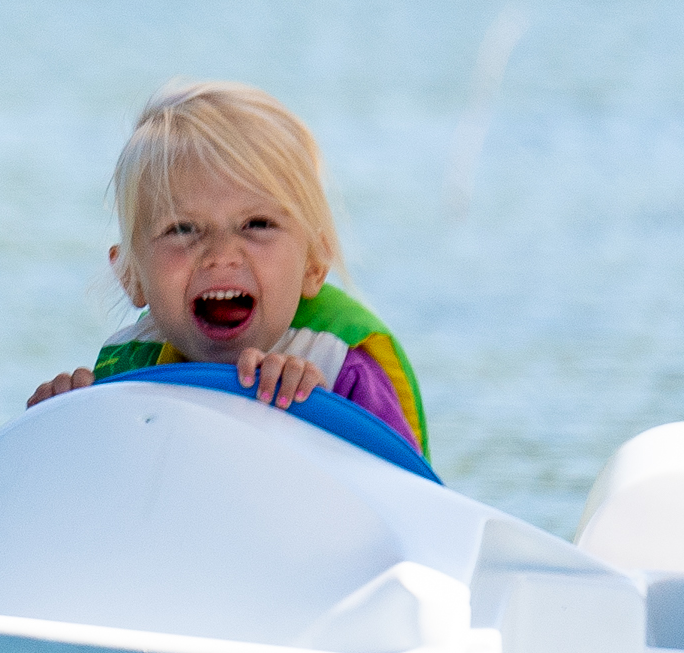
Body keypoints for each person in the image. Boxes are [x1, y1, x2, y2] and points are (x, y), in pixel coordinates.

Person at [28, 80, 430, 462]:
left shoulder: (342, 373)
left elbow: (413, 513)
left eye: (257, 224)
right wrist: (63, 429)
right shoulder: (125, 380)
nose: (221, 255)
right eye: (182, 229)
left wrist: (322, 418)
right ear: (131, 277)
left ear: (314, 263)